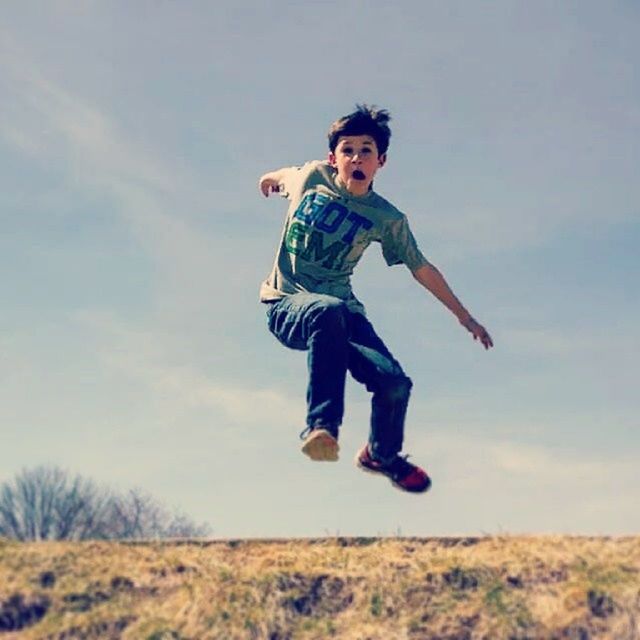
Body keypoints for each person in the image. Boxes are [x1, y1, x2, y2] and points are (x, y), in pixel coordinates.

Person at [258, 105, 493, 494]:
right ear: (334, 158)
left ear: (380, 161)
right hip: (286, 303)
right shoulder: (312, 177)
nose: (355, 158)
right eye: (347, 151)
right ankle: (322, 427)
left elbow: (421, 267)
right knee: (325, 311)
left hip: (343, 313)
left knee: (395, 384)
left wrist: (464, 317)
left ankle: (381, 454)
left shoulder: (387, 218)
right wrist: (268, 178)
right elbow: (285, 175)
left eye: (365, 151)